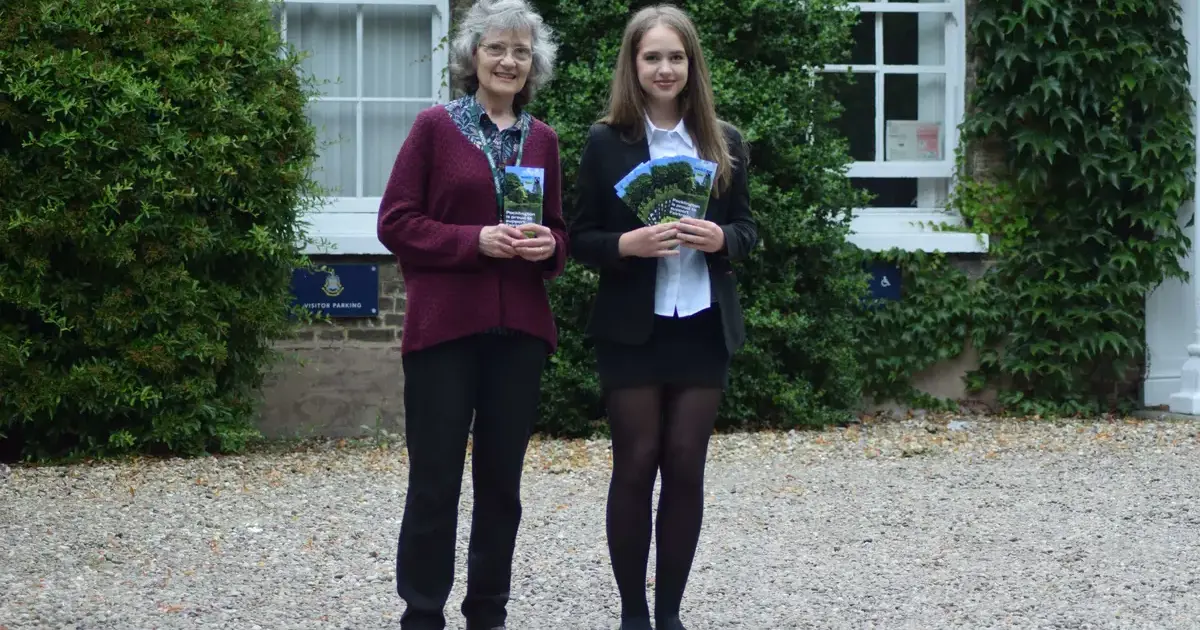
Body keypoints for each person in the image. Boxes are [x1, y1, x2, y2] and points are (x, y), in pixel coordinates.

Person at [567, 5, 758, 630]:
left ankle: (670, 613)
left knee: (684, 465)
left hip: (702, 323)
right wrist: (628, 244)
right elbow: (579, 237)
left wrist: (721, 238)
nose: (665, 68)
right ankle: (633, 613)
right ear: (634, 64)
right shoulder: (607, 142)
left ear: (692, 64)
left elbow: (748, 229)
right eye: (652, 57)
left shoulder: (724, 141)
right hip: (632, 326)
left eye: (676, 57)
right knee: (635, 461)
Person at [375, 0, 565, 628]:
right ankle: (422, 611)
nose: (509, 61)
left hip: (520, 334)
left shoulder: (543, 139)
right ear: (473, 55)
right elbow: (395, 222)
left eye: (521, 51)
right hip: (445, 331)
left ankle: (488, 611)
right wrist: (473, 240)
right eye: (497, 48)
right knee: (435, 481)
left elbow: (558, 232)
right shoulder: (434, 127)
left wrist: (549, 246)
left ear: (533, 63)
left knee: (502, 486)